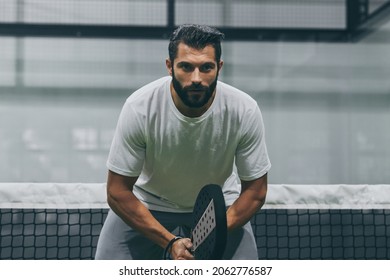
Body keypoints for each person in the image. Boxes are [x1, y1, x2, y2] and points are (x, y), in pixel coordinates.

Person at [95, 24, 271, 260]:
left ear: (219, 67)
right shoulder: (140, 108)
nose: (196, 78)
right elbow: (117, 191)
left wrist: (210, 234)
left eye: (206, 67)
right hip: (148, 202)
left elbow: (256, 192)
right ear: (170, 67)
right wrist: (171, 242)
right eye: (186, 67)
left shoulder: (244, 110)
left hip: (218, 209)